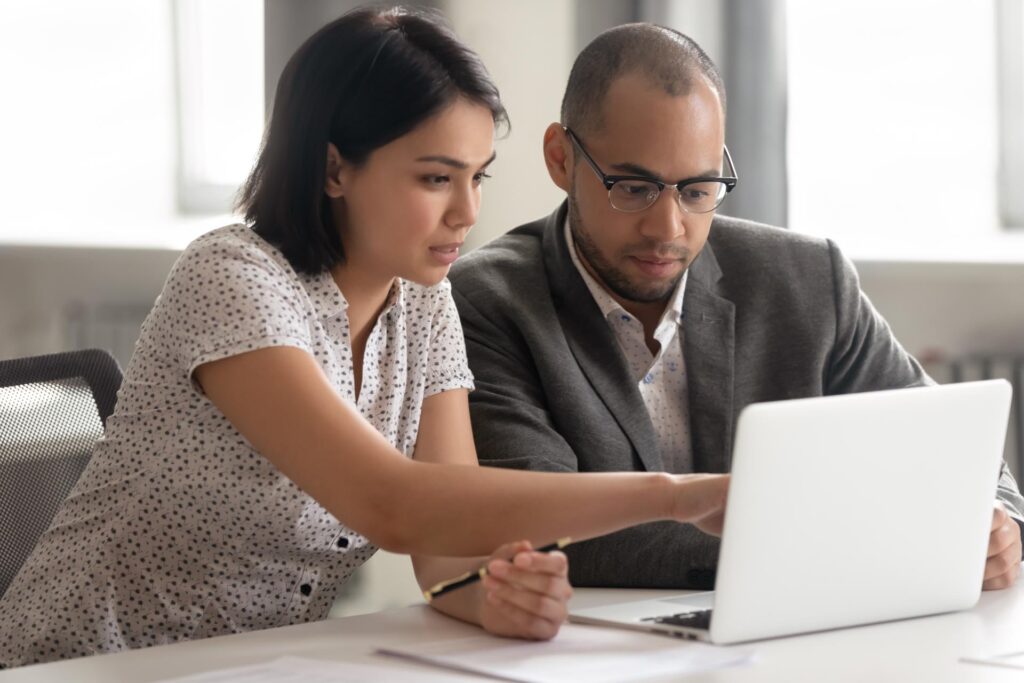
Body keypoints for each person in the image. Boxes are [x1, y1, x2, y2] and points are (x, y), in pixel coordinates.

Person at [0, 9, 731, 668]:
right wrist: (673, 495)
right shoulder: (231, 279)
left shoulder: (425, 301)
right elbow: (392, 503)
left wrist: (489, 593)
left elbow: (444, 545)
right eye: (436, 178)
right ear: (333, 167)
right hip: (79, 663)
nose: (467, 212)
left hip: (256, 663)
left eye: (478, 176)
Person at [449, 22, 1024, 592]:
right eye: (633, 188)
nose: (667, 228)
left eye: (698, 191)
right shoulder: (488, 302)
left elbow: (952, 452)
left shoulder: (808, 280)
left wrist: (997, 524)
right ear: (560, 159)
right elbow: (541, 530)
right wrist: (865, 538)